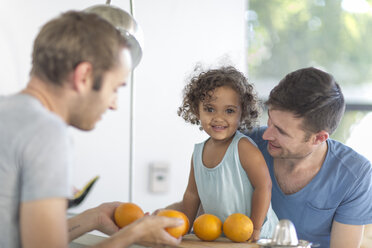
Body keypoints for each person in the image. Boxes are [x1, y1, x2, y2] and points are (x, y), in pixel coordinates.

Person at [0, 11, 183, 248]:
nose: (114, 104)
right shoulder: (48, 133)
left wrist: (93, 218)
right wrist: (131, 236)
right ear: (84, 76)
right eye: (115, 87)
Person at [245, 67, 372, 248]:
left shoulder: (354, 174)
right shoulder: (247, 145)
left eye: (281, 131)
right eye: (270, 121)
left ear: (319, 138)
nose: (266, 135)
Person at [167, 66, 278, 241]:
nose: (218, 118)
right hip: (224, 237)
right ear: (197, 110)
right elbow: (192, 194)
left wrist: (256, 228)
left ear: (242, 113)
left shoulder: (243, 148)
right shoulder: (198, 152)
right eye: (210, 109)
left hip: (257, 237)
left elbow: (263, 187)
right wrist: (184, 227)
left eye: (229, 111)